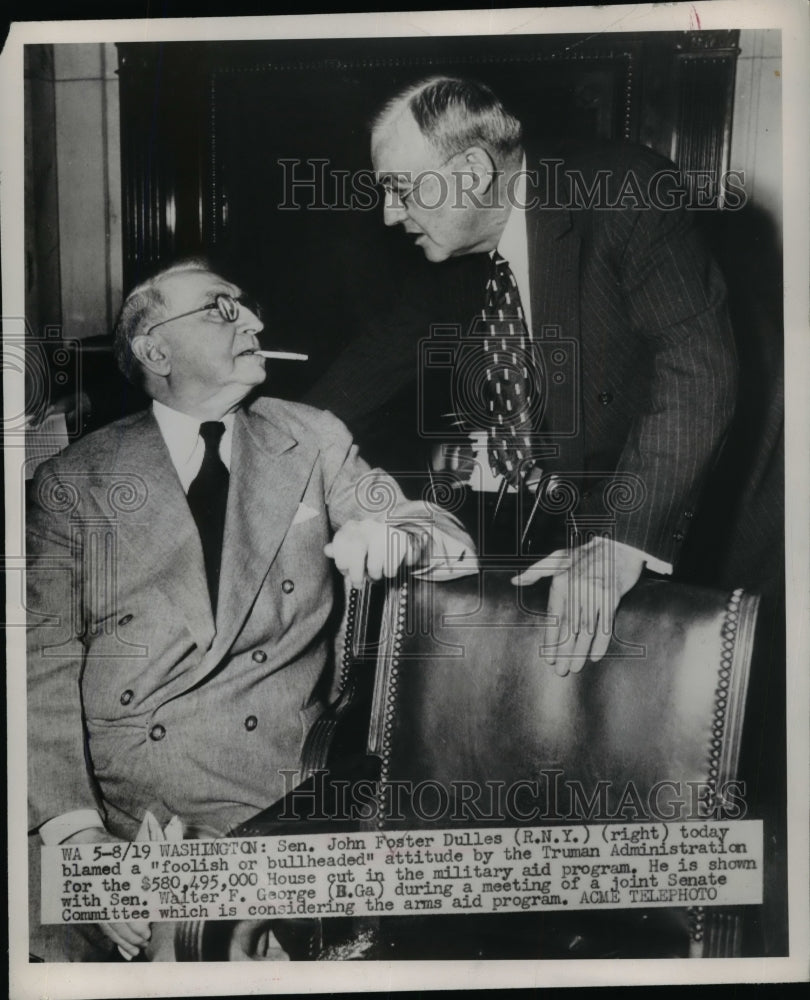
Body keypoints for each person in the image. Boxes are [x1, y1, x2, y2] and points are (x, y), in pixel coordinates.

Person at [26, 258, 475, 960]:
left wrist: (397, 535)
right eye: (221, 308)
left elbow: (441, 534)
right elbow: (38, 662)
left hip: (266, 798)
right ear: (156, 350)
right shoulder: (74, 480)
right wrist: (82, 842)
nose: (256, 322)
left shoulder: (311, 438)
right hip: (119, 808)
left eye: (248, 306)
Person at [305, 75, 737, 676]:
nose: (388, 214)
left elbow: (698, 373)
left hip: (706, 505)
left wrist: (619, 541)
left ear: (474, 170)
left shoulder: (623, 191)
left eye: (401, 189)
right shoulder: (455, 256)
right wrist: (269, 443)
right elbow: (373, 364)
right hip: (570, 506)